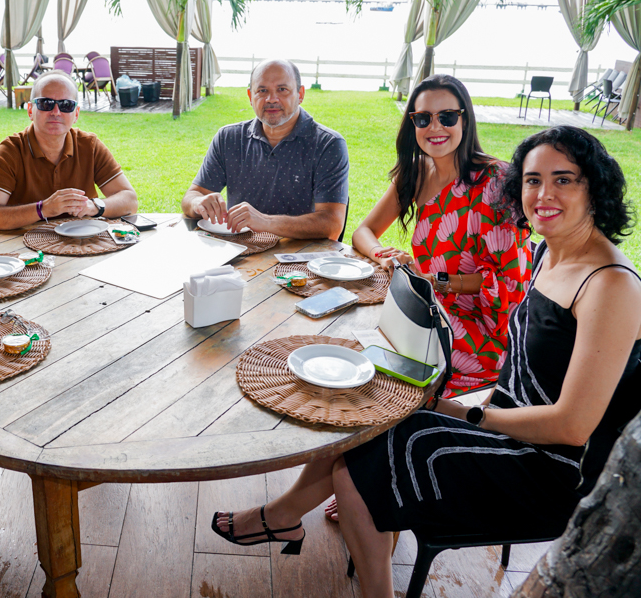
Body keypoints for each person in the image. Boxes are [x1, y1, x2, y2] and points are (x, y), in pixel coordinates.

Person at [211, 125, 640, 598]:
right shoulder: (551, 255)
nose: (543, 194)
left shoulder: (611, 284)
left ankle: (302, 531)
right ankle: (286, 517)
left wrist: (465, 412)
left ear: (595, 186)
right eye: (533, 180)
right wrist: (468, 407)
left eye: (564, 179)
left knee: (361, 465)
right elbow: (522, 372)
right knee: (367, 409)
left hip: (550, 471)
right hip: (512, 432)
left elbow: (573, 427)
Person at [353, 74, 530, 396]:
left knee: (383, 379)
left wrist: (435, 281)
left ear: (465, 120)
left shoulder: (496, 182)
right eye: (423, 118)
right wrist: (385, 256)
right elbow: (364, 231)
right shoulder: (416, 172)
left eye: (447, 117)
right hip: (427, 307)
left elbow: (508, 283)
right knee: (355, 345)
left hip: (480, 329)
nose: (435, 127)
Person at [181, 59, 349, 239]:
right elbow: (192, 195)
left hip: (298, 253)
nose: (271, 99)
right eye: (262, 91)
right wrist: (198, 202)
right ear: (250, 96)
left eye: (282, 89)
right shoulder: (229, 138)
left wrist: (265, 222)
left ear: (300, 94)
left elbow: (332, 224)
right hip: (239, 249)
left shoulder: (328, 144)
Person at [0, 70, 138, 232]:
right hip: (22, 245)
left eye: (66, 105)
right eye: (46, 103)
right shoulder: (11, 151)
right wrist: (43, 209)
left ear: (76, 114)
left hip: (82, 242)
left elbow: (130, 200)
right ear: (30, 110)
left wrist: (94, 206)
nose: (56, 112)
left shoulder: (89, 146)